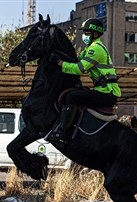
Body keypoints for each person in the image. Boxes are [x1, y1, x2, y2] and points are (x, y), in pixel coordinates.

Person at [47, 17, 121, 148]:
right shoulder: (89, 49)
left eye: (86, 33)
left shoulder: (96, 49)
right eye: (84, 33)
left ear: (95, 34)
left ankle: (61, 134)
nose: (84, 35)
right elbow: (75, 61)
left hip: (107, 94)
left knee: (72, 96)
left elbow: (78, 69)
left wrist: (59, 62)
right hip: (102, 91)